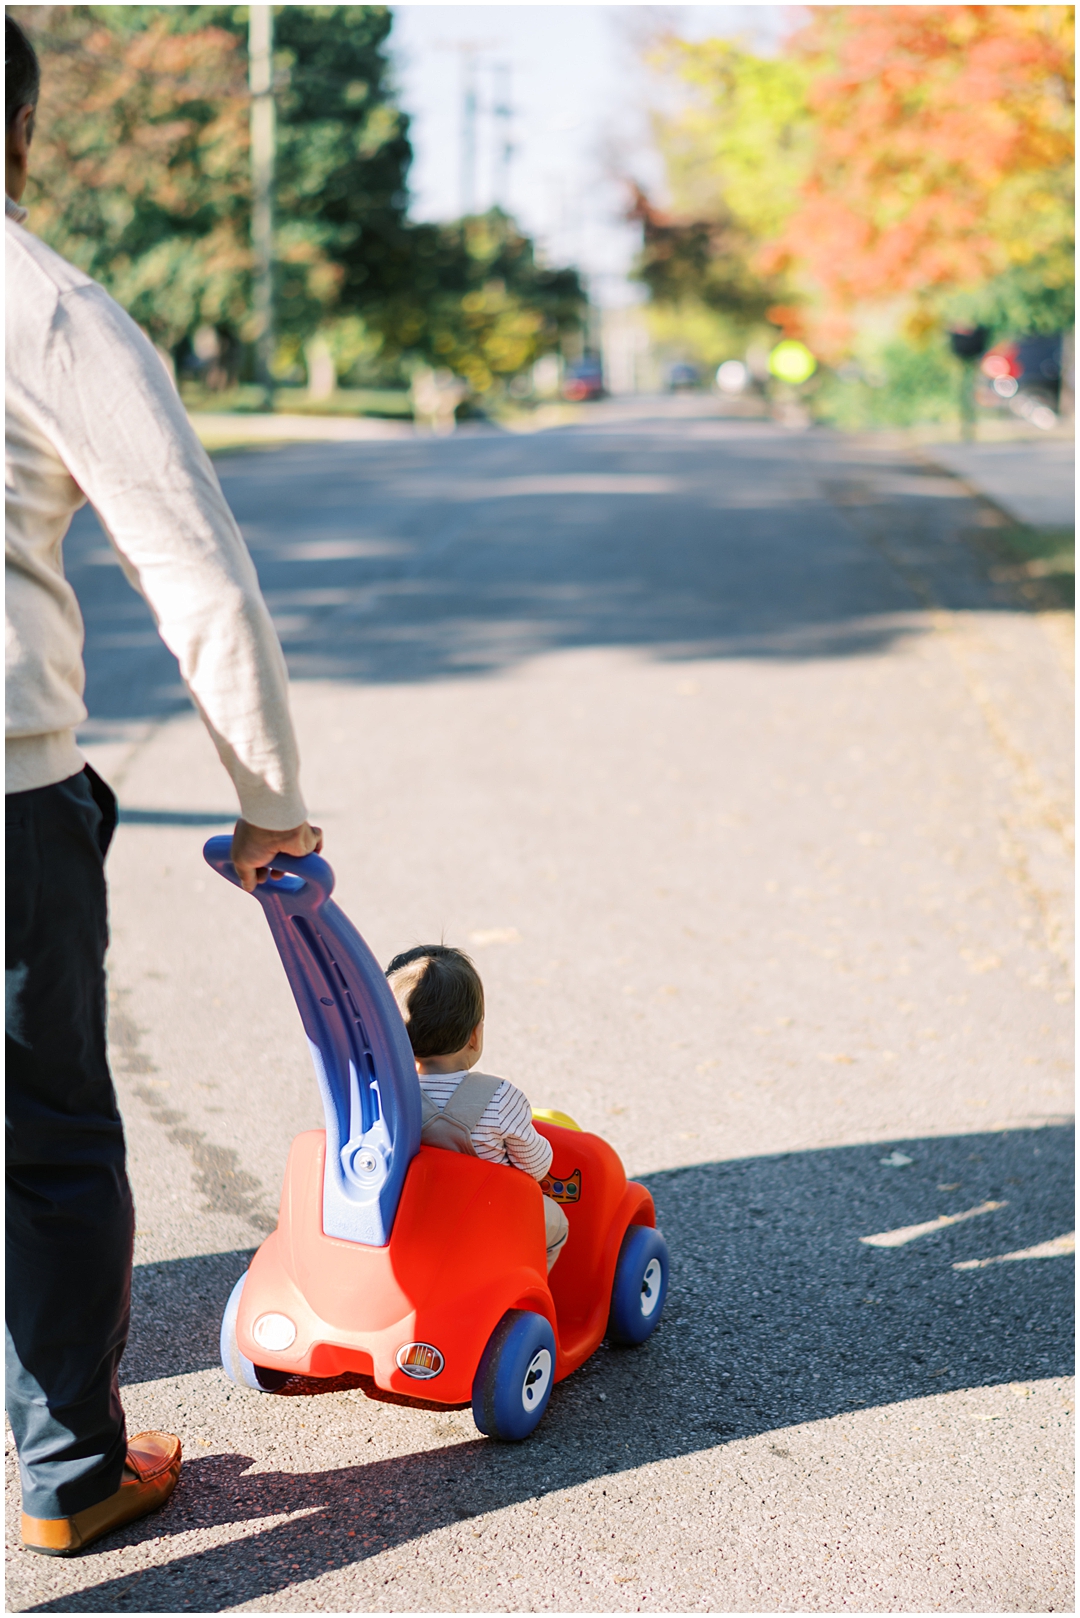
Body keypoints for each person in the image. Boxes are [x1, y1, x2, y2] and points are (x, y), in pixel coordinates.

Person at [5, 15, 322, 1557]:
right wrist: (269, 800)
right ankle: (70, 1467)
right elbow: (196, 572)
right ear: (19, 132)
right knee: (42, 1132)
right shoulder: (44, 308)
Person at [385, 946, 570, 1271]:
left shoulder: (388, 1096)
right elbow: (536, 1168)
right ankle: (528, 1284)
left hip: (417, 1218)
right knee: (557, 1223)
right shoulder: (501, 1099)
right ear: (474, 1036)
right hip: (489, 1219)